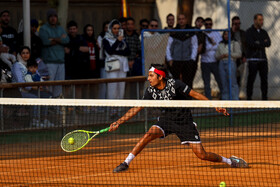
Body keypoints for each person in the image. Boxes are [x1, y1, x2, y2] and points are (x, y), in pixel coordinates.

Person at [109, 64, 249, 173]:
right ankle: (126, 163)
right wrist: (118, 122)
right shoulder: (150, 91)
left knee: (202, 155)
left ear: (160, 77)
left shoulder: (175, 84)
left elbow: (195, 94)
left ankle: (230, 161)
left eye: (151, 76)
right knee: (148, 134)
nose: (148, 78)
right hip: (166, 120)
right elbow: (137, 108)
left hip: (184, 122)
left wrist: (214, 105)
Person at [11, 46, 53, 127]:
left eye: (27, 53)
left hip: (33, 89)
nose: (25, 55)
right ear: (19, 54)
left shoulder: (31, 64)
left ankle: (44, 120)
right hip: (19, 91)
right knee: (35, 98)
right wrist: (33, 87)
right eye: (23, 53)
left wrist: (42, 86)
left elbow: (38, 76)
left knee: (46, 96)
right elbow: (20, 82)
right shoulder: (17, 65)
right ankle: (34, 120)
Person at [39, 9, 69, 98]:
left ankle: (57, 108)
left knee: (59, 86)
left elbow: (66, 40)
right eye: (51, 16)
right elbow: (45, 41)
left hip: (61, 61)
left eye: (55, 16)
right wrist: (60, 39)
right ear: (48, 18)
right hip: (49, 62)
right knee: (49, 86)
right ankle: (48, 108)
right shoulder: (43, 28)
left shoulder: (60, 28)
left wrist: (53, 39)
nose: (53, 18)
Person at [166, 13, 198, 90]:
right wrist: (169, 59)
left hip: (188, 60)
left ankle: (187, 98)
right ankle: (176, 98)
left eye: (183, 19)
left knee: (188, 81)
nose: (181, 21)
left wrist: (192, 59)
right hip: (176, 60)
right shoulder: (173, 32)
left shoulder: (191, 32)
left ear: (186, 20)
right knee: (175, 81)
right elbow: (168, 46)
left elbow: (194, 46)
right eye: (179, 19)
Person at [245, 13, 271, 100]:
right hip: (253, 59)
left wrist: (258, 42)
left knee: (264, 80)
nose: (261, 22)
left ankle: (264, 98)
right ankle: (249, 98)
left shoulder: (264, 32)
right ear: (255, 20)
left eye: (262, 20)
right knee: (251, 79)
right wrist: (261, 42)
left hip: (263, 59)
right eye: (260, 20)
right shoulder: (249, 32)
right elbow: (251, 43)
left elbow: (268, 43)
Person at [103, 19, 130, 99]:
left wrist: (117, 51)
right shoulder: (106, 39)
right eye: (114, 28)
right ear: (110, 29)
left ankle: (119, 108)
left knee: (121, 88)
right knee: (112, 87)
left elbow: (128, 52)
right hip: (113, 66)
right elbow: (110, 51)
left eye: (118, 28)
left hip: (122, 66)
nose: (116, 30)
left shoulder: (123, 39)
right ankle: (111, 109)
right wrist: (117, 41)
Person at [200, 17, 223, 100]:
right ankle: (208, 99)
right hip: (205, 61)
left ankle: (223, 96)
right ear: (204, 25)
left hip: (215, 61)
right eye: (206, 24)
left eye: (210, 24)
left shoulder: (216, 33)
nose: (208, 26)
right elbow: (203, 49)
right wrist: (212, 45)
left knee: (219, 80)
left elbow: (219, 45)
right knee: (206, 82)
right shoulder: (202, 34)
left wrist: (212, 46)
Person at [215, 31, 241, 100]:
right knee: (224, 83)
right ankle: (225, 100)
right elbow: (216, 56)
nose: (226, 36)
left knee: (232, 82)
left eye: (228, 34)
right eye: (225, 34)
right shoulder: (220, 44)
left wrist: (229, 55)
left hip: (231, 62)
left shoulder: (234, 43)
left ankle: (235, 100)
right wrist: (221, 56)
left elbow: (239, 54)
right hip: (221, 62)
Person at [231, 16, 246, 87]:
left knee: (238, 77)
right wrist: (232, 31)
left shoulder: (243, 33)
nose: (238, 25)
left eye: (239, 23)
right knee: (230, 76)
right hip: (231, 57)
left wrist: (245, 56)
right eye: (236, 24)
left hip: (240, 58)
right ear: (232, 24)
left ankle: (235, 95)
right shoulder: (229, 32)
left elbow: (246, 46)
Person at [97, 21, 109, 99]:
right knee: (103, 85)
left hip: (113, 63)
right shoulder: (100, 37)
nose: (107, 29)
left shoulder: (115, 37)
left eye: (109, 27)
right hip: (103, 62)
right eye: (106, 28)